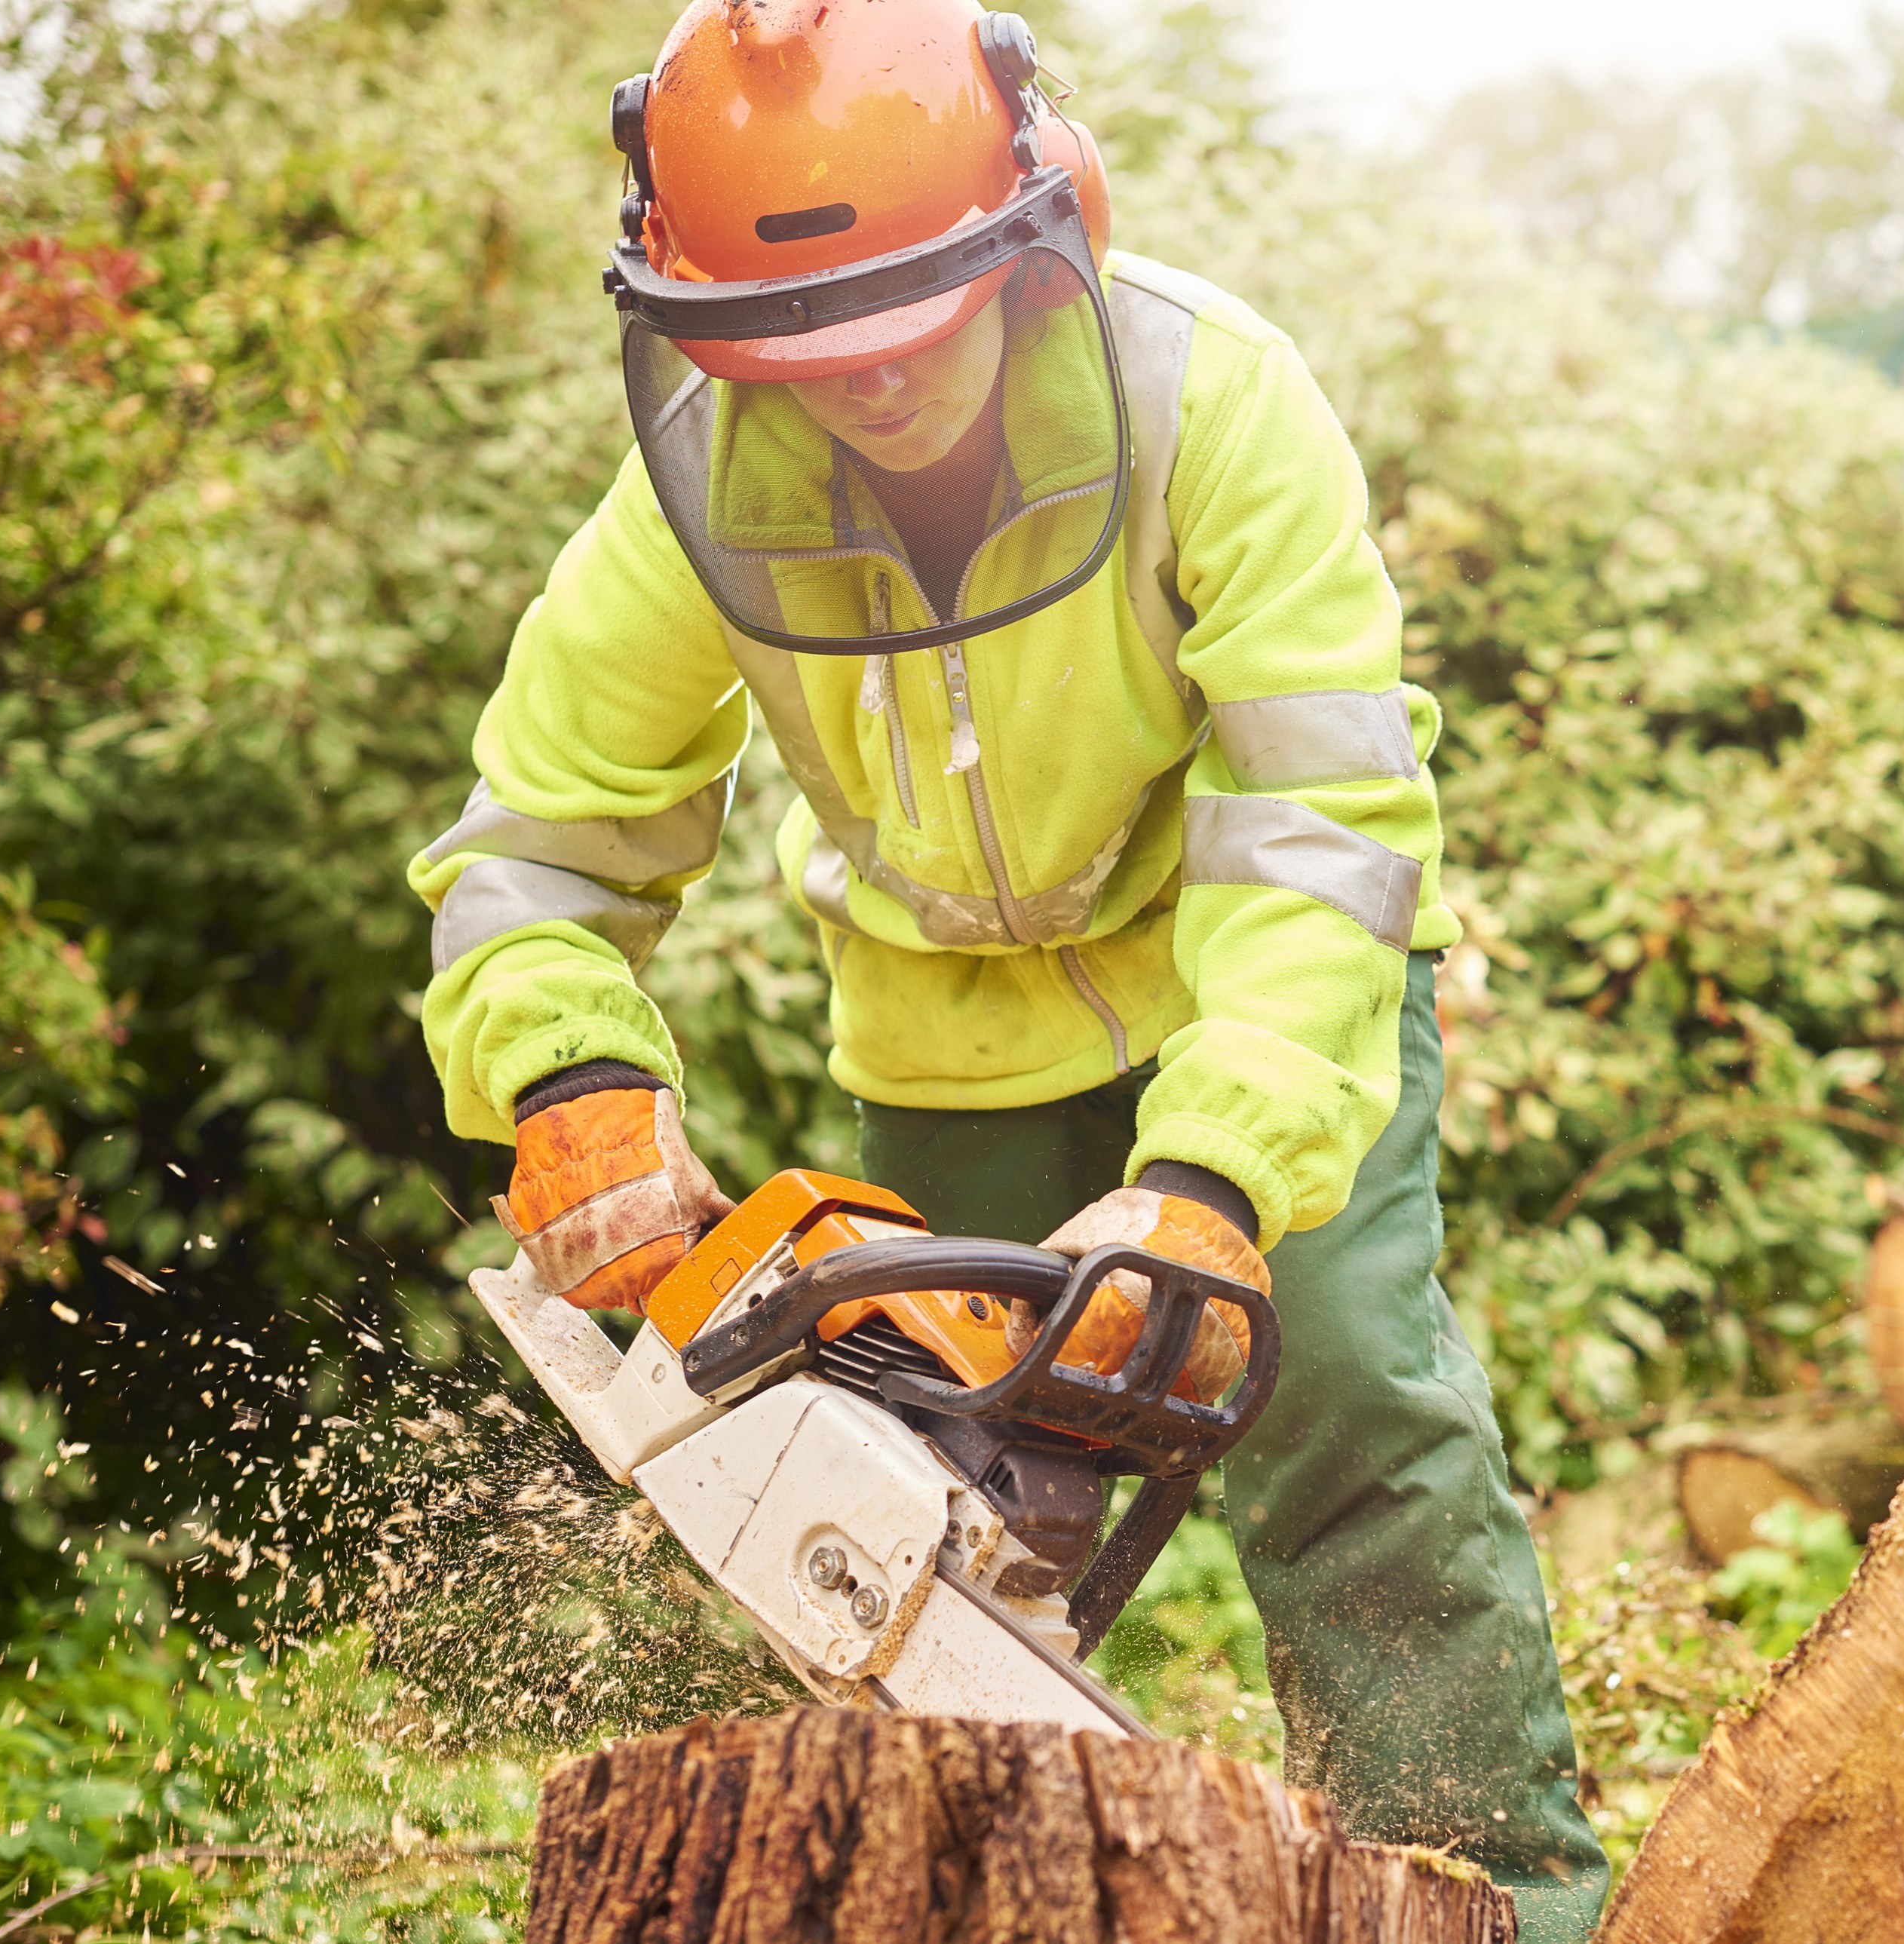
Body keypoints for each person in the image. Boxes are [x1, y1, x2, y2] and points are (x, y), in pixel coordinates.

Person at [405, 0, 1608, 1930]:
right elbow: (537, 833)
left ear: (1040, 230)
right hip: (949, 1026)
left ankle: (1501, 1897)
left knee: (1352, 1408)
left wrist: (1215, 1183)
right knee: (926, 1489)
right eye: (799, 354)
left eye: (910, 326)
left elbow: (1321, 831)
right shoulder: (701, 486)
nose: (866, 388)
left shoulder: (1216, 402)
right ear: (699, 323)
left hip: (1251, 991)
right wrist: (566, 1077)